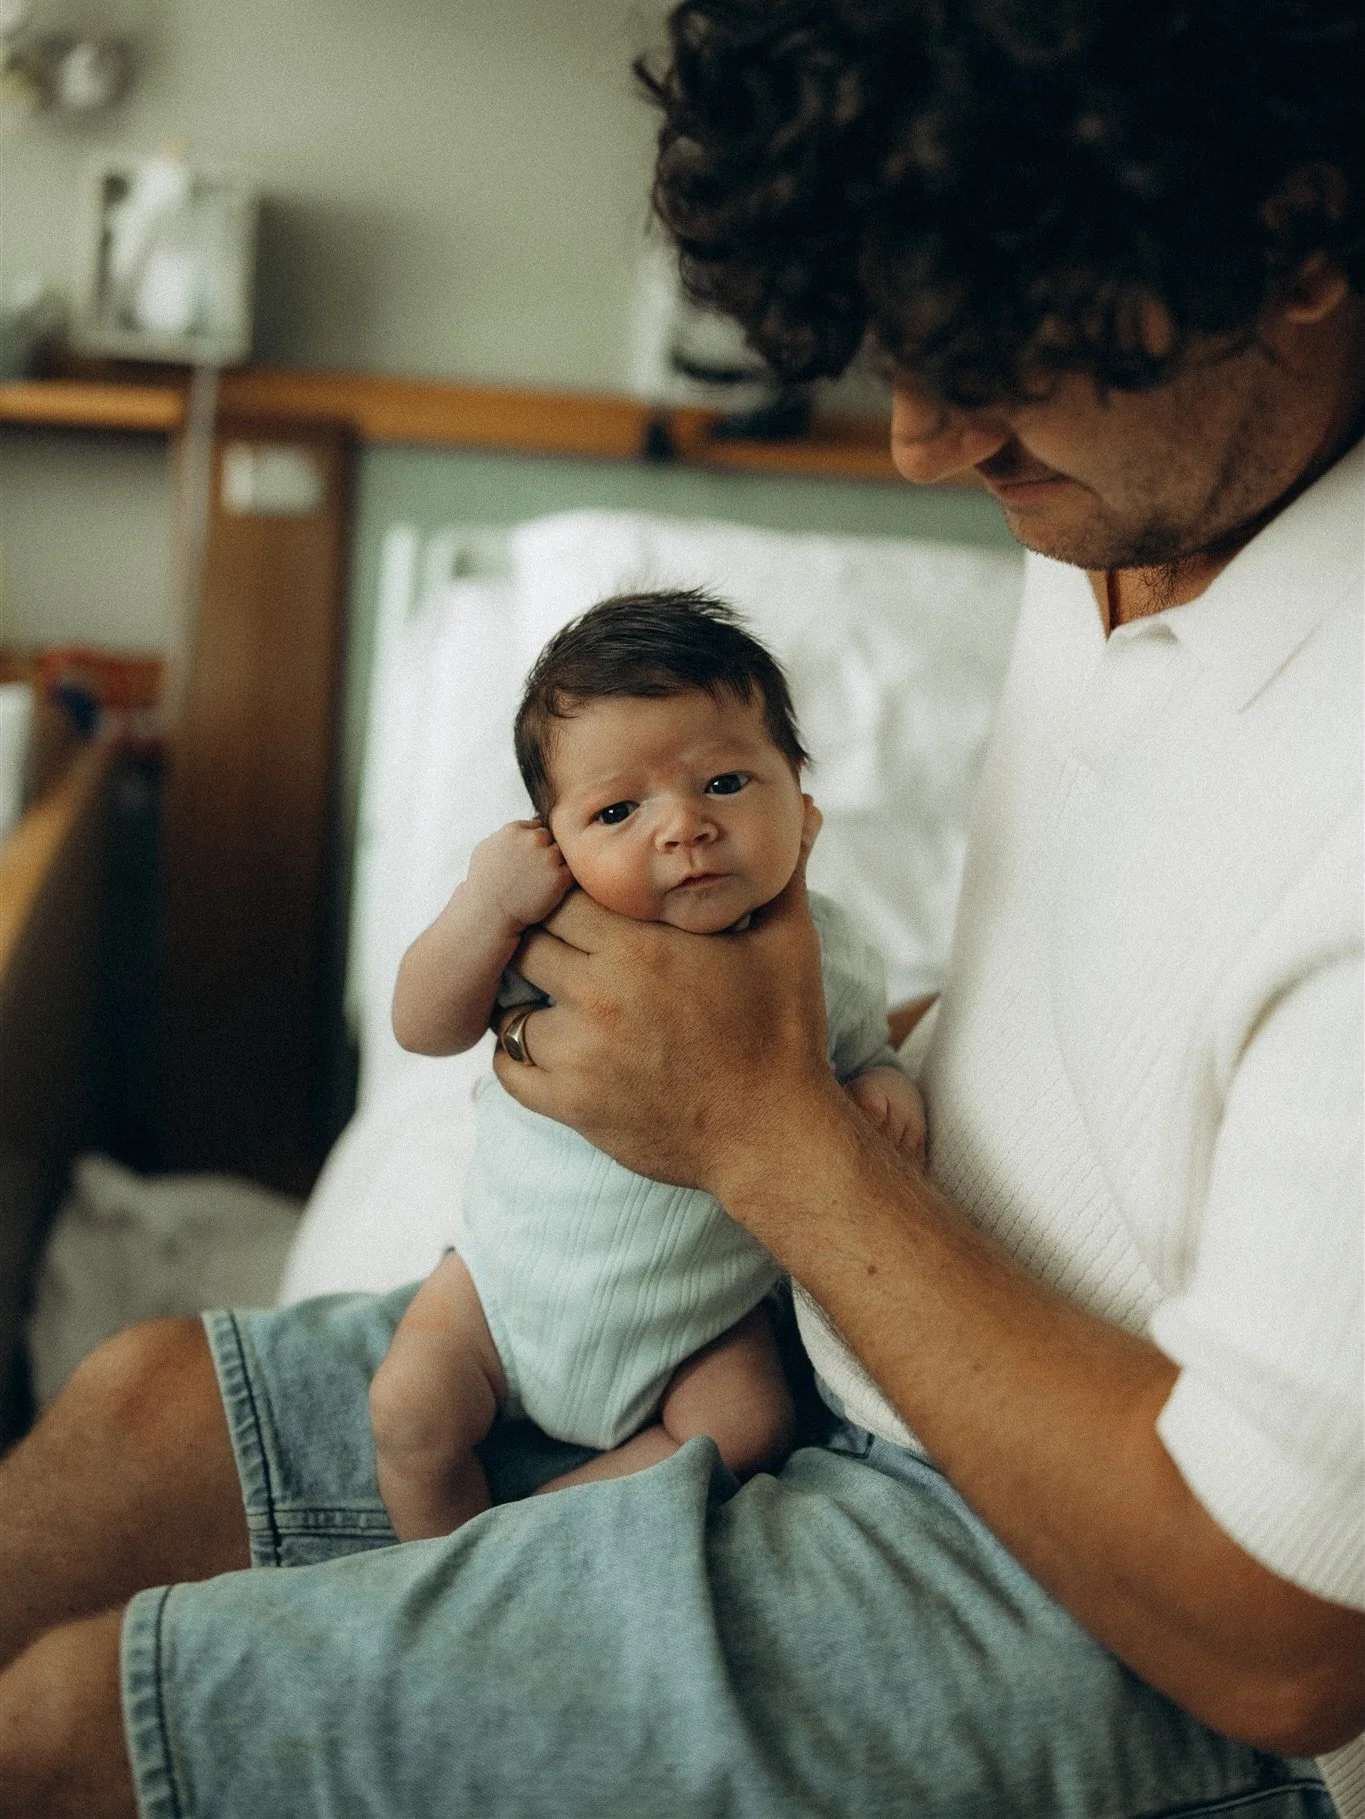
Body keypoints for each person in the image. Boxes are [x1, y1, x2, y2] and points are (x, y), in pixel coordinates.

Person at [0, 2, 1361, 1815]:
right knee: (125, 1420)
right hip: (835, 1307)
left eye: (992, 355)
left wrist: (760, 1118)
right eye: (904, 346)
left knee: (74, 1729)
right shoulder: (1130, 496)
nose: (921, 441)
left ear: (1298, 244)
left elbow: (1282, 1630)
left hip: (1065, 1593)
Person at [371, 590, 921, 1538]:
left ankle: (531, 1524)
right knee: (409, 1412)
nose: (682, 829)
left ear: (802, 795)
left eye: (724, 784)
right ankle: (430, 1569)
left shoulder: (830, 958)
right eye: (618, 809)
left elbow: (859, 1050)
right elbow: (421, 1027)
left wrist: (882, 1086)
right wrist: (480, 908)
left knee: (748, 1425)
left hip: (694, 1326)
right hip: (501, 1296)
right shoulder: (553, 938)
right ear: (554, 842)